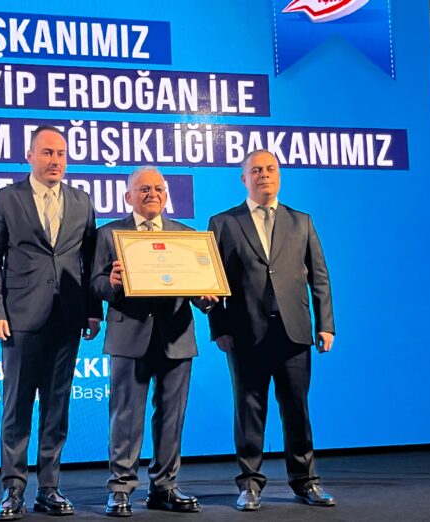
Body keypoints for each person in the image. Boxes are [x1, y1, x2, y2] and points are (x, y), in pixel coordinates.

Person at [0, 125, 102, 521]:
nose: (55, 161)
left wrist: (93, 310)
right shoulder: (5, 198)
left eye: (61, 154)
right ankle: (13, 488)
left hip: (67, 318)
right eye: (47, 152)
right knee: (17, 406)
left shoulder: (82, 200)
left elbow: (90, 260)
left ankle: (49, 488)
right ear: (30, 156)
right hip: (19, 319)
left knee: (57, 406)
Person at [207, 149, 336, 511]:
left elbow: (320, 278)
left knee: (297, 410)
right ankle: (249, 484)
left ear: (279, 175)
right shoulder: (223, 223)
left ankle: (306, 481)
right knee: (249, 411)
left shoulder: (302, 221)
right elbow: (212, 281)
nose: (264, 174)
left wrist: (325, 324)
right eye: (256, 170)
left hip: (294, 333)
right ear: (244, 179)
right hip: (244, 334)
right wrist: (219, 328)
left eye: (270, 169)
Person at [91, 166, 217, 517]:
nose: (152, 194)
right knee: (125, 417)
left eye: (158, 189)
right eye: (144, 189)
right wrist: (111, 283)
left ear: (166, 195)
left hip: (176, 337)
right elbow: (94, 285)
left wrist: (207, 297)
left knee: (171, 417)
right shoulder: (108, 234)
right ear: (128, 196)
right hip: (128, 335)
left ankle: (164, 487)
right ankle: (121, 488)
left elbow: (199, 289)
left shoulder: (187, 236)